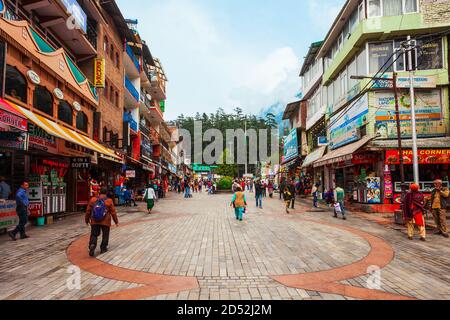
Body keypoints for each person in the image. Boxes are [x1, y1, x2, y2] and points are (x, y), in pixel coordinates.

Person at [85, 188, 118, 257]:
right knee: (105, 234)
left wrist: (87, 220)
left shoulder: (93, 200)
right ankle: (103, 248)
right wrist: (116, 221)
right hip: (105, 221)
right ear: (106, 193)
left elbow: (88, 211)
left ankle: (92, 244)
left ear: (99, 192)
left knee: (94, 234)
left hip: (94, 220)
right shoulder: (109, 201)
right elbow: (113, 212)